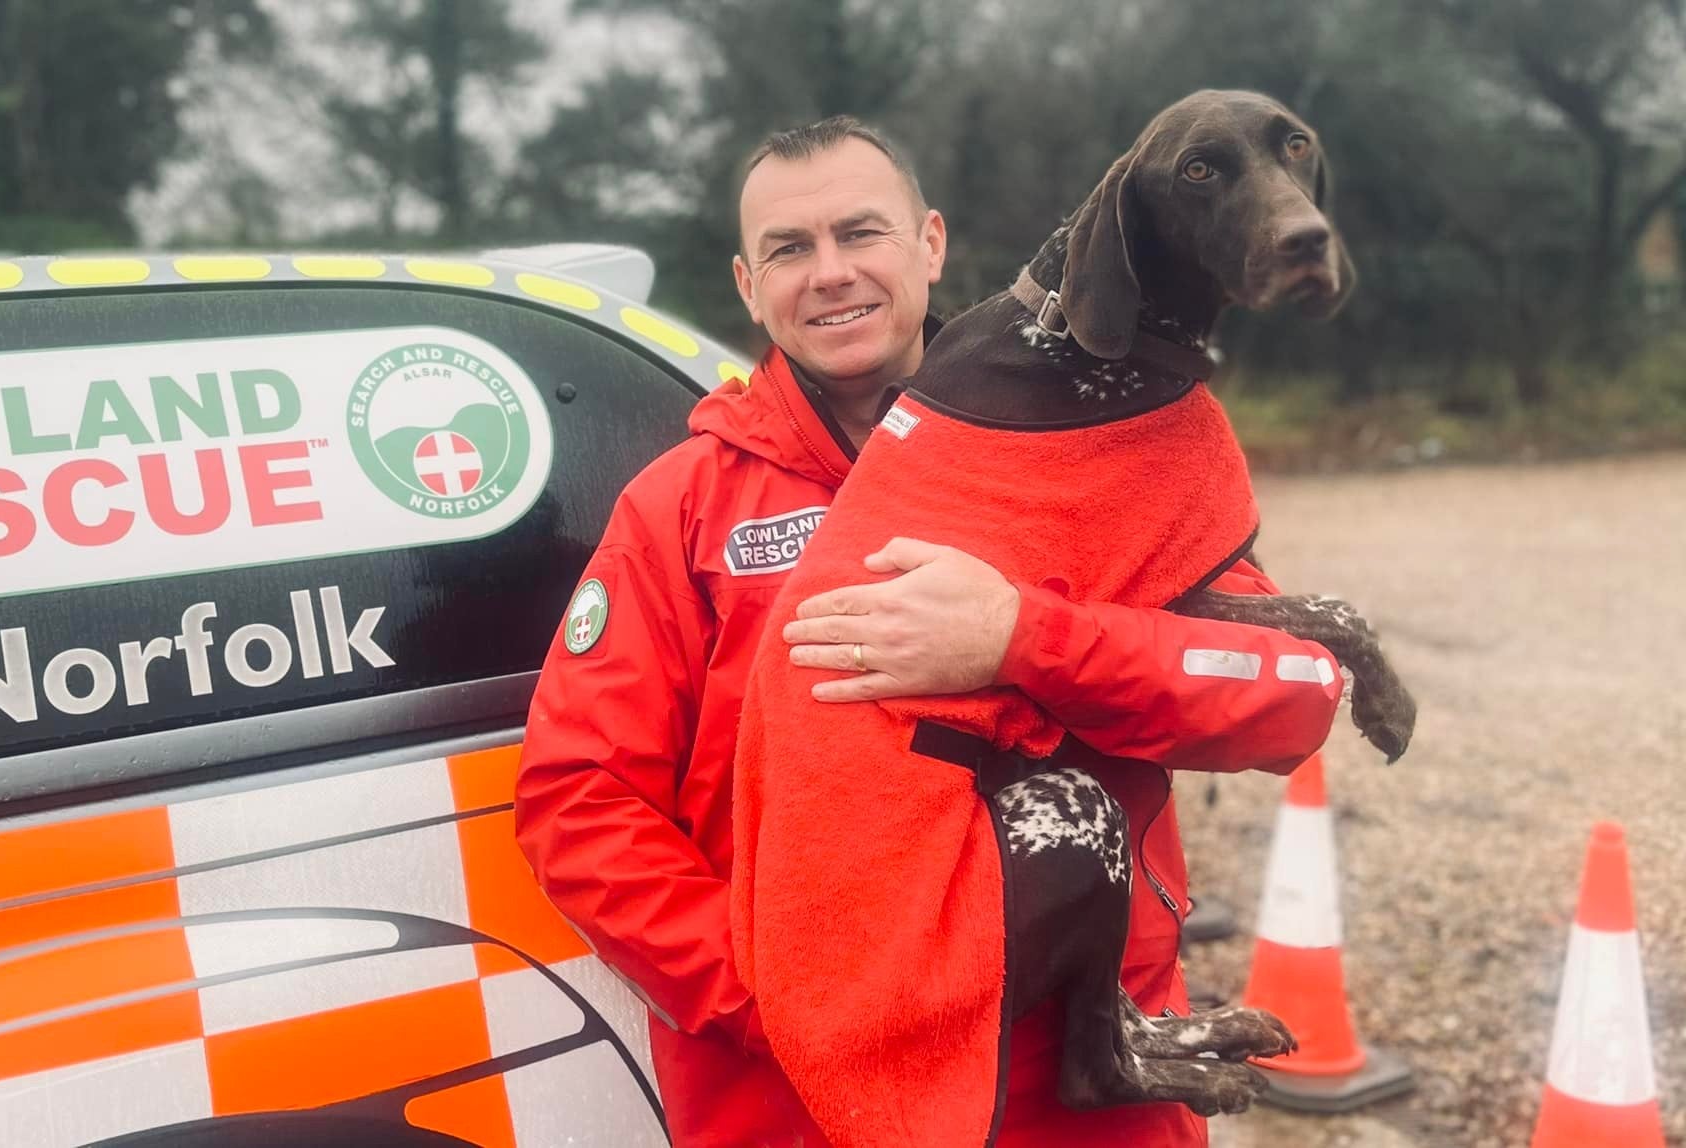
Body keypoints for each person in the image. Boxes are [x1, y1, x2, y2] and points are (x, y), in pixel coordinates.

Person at [515, 116, 1344, 1147]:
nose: (828, 273)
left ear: (930, 244)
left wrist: (1020, 637)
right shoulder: (679, 512)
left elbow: (1287, 692)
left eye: (859, 232)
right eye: (787, 248)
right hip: (819, 1103)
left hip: (1082, 1080)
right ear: (744, 283)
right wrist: (795, 996)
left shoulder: (1103, 454)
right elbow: (578, 802)